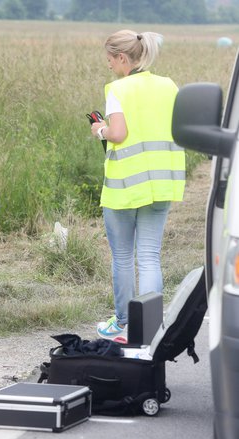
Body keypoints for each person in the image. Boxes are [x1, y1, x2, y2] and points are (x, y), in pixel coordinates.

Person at [89, 30, 185, 342]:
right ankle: (152, 330)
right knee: (149, 256)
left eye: (109, 60)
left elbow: (118, 133)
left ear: (122, 58)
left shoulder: (119, 88)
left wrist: (99, 129)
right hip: (161, 182)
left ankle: (123, 323)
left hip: (125, 186)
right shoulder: (169, 85)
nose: (109, 66)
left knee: (123, 258)